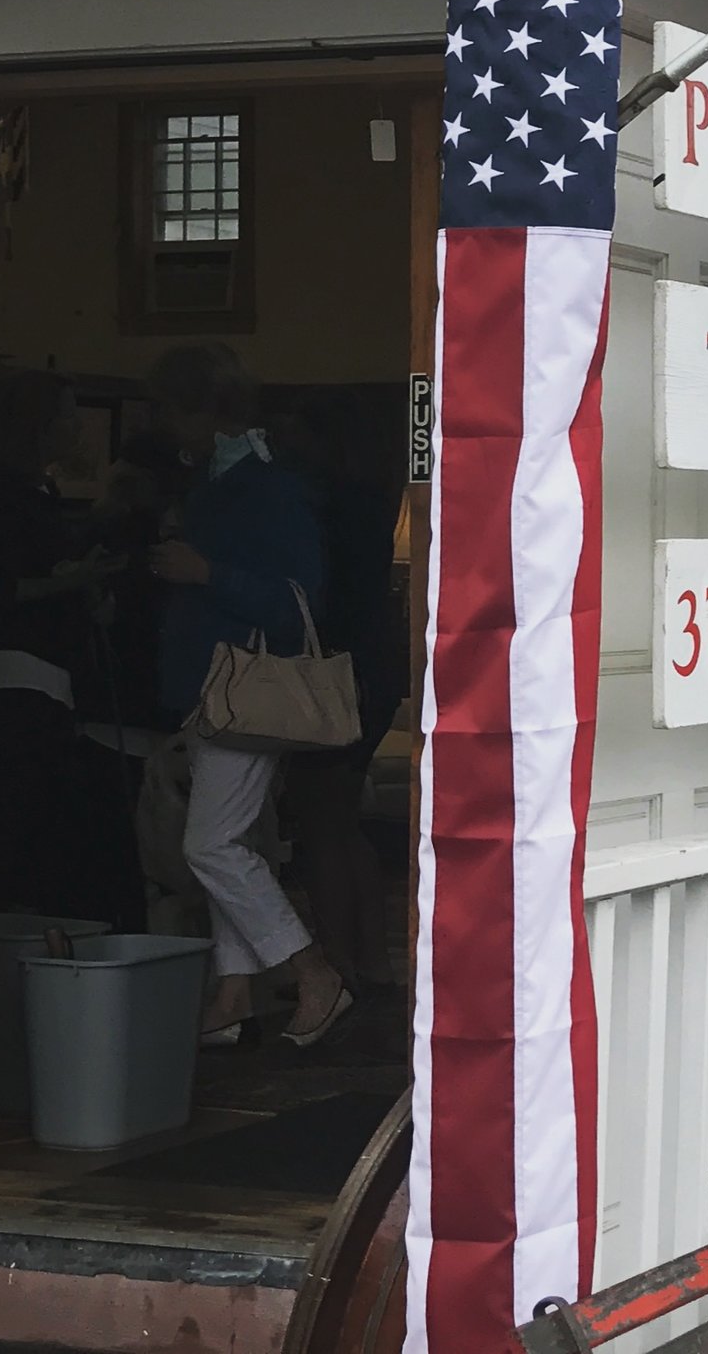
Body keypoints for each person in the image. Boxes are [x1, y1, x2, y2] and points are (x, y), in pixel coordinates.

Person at [147, 344, 352, 1050]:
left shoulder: (262, 487)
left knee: (210, 845)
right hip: (221, 688)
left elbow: (298, 598)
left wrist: (205, 573)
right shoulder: (234, 478)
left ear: (201, 413)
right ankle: (233, 992)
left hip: (237, 687)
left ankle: (311, 970)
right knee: (225, 839)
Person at [0, 369, 142, 932]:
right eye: (67, 416)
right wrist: (74, 582)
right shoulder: (3, 494)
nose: (77, 428)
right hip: (19, 680)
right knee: (27, 821)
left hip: (45, 675)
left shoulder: (33, 491)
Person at [272, 406, 406, 996]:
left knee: (322, 816)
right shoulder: (372, 503)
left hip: (334, 670)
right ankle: (370, 959)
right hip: (372, 664)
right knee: (340, 818)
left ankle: (339, 961)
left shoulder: (319, 508)